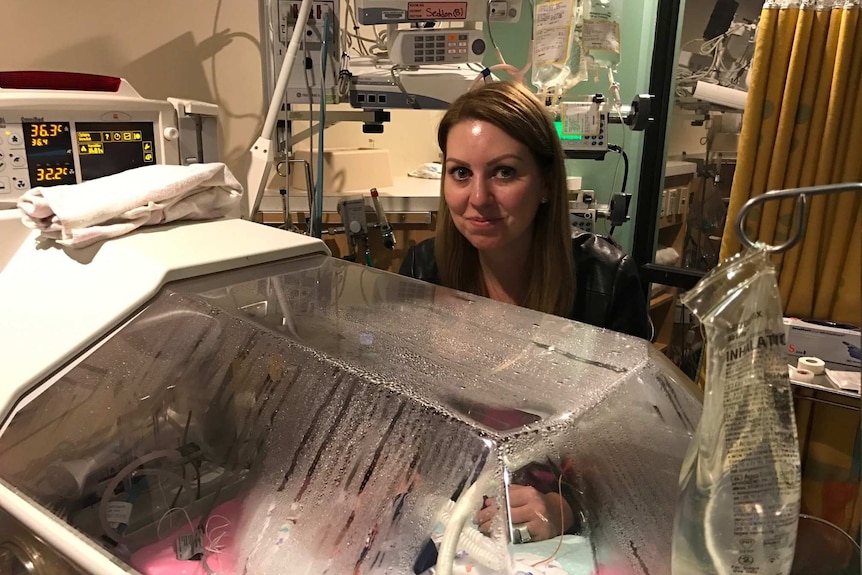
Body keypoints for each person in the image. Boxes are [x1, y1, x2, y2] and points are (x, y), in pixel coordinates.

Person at [398, 80, 651, 542]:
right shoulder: (423, 268)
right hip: (450, 513)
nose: (477, 197)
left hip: (558, 528)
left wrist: (566, 507)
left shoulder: (603, 279)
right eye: (460, 173)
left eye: (504, 173)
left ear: (546, 183)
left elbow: (632, 448)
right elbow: (405, 411)